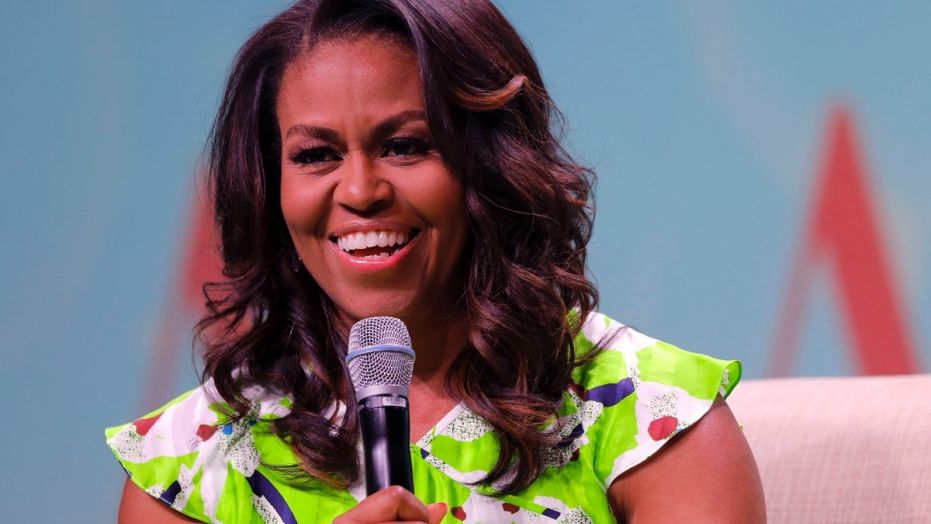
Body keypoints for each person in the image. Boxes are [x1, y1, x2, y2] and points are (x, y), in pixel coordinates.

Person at [106, 0, 765, 522]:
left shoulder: (652, 422)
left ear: (492, 166)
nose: (361, 192)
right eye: (315, 155)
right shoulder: (189, 467)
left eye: (404, 146)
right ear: (266, 186)